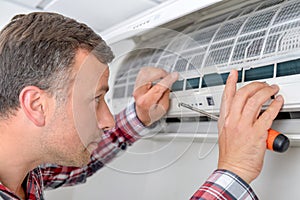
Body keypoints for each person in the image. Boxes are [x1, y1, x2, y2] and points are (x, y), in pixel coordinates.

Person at [0, 12, 283, 200]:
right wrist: (234, 170)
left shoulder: (26, 170)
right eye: (95, 100)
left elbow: (74, 166)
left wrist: (139, 116)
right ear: (36, 105)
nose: (108, 119)